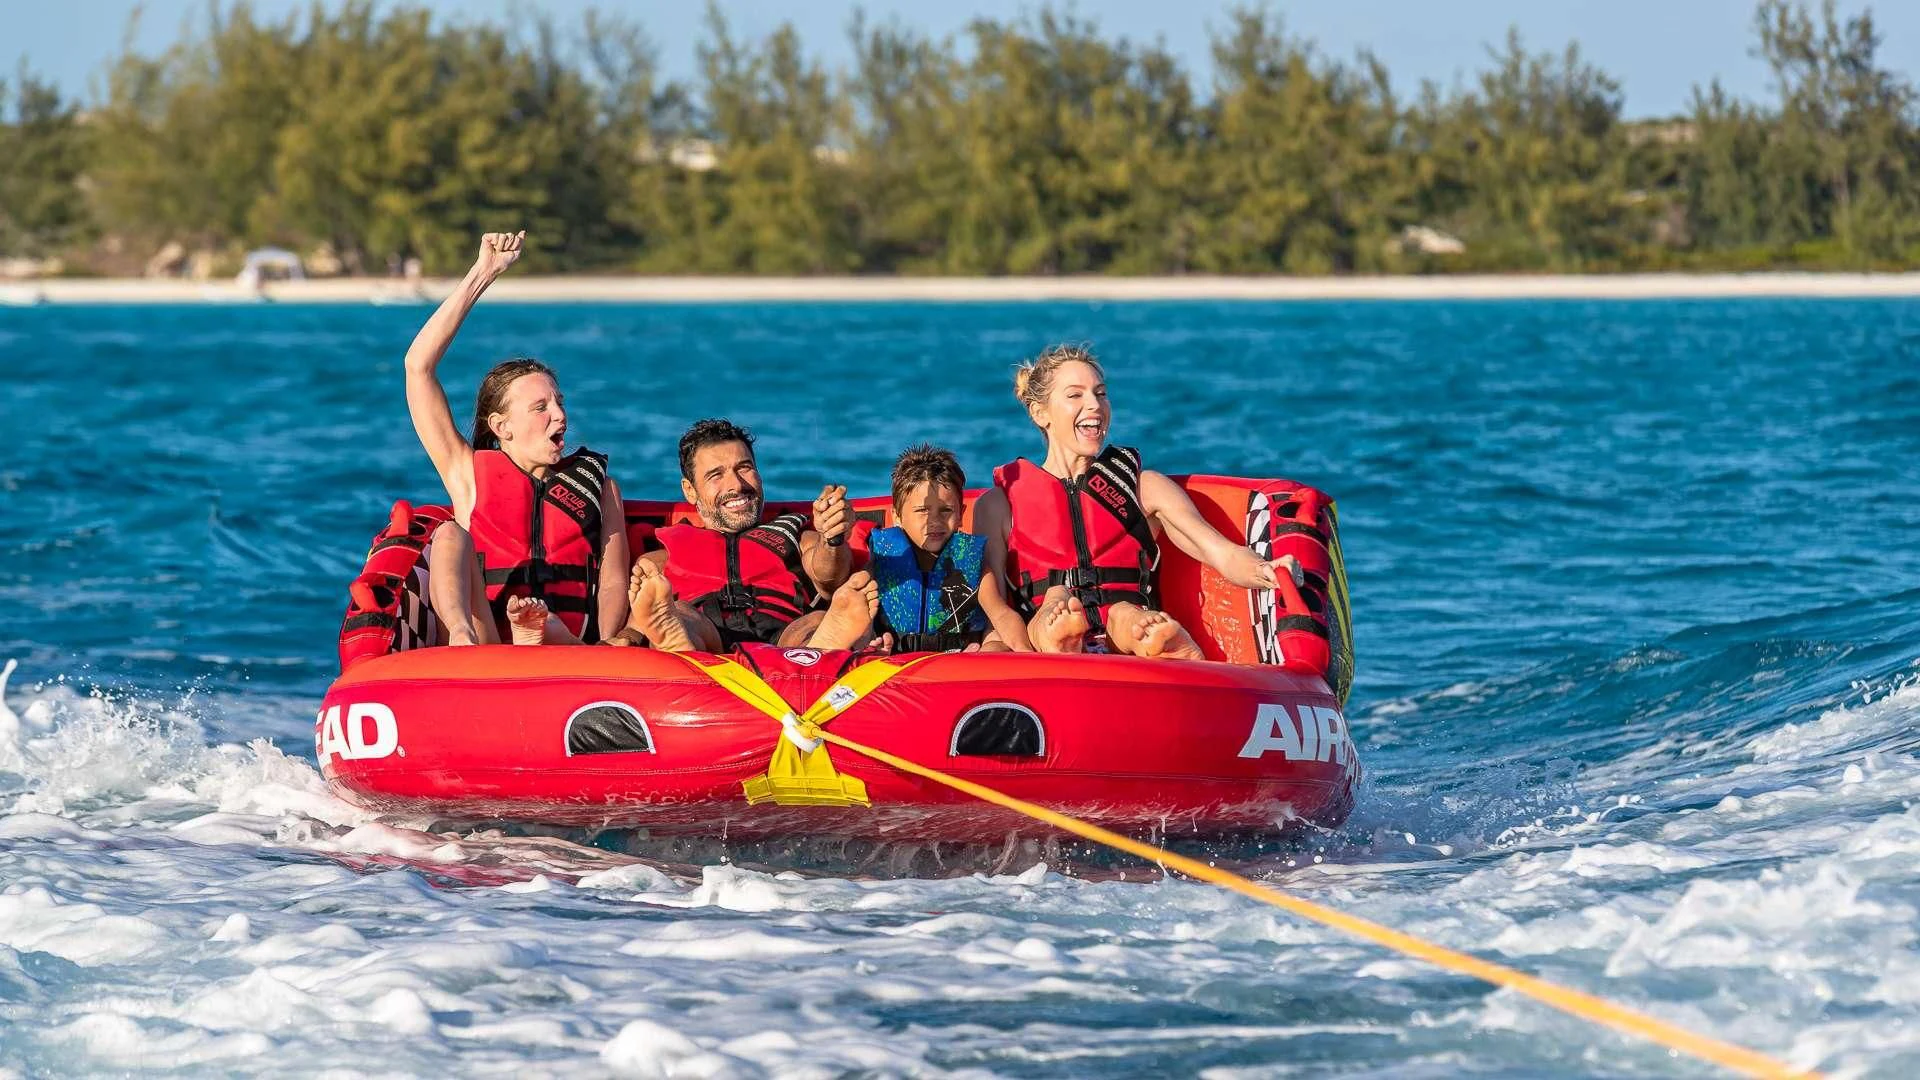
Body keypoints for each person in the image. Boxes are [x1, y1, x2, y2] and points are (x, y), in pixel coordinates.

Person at [972, 344, 1302, 659]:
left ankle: (1158, 641)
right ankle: (1063, 639)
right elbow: (993, 598)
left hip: (1123, 638)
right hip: (1041, 633)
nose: (1095, 405)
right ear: (1040, 412)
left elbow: (1220, 552)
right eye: (1076, 395)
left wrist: (1265, 570)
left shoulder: (1143, 488)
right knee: (1056, 602)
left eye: (1101, 393)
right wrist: (1008, 650)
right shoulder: (1000, 504)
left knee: (1126, 615)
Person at [402, 231, 630, 646]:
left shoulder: (599, 489)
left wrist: (607, 644)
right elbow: (418, 367)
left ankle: (541, 636)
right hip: (489, 640)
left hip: (570, 647)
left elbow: (613, 580)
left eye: (559, 403)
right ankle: (461, 640)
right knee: (449, 535)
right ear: (501, 426)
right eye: (540, 407)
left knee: (552, 629)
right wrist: (482, 273)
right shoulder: (467, 475)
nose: (560, 414)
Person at [615, 419, 879, 652]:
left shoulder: (795, 534)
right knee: (680, 615)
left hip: (783, 636)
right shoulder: (662, 556)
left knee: (816, 621)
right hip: (705, 632)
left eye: (744, 468)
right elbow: (641, 616)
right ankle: (679, 644)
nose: (736, 485)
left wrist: (831, 539)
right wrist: (626, 638)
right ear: (690, 490)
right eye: (716, 475)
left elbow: (829, 580)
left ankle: (822, 644)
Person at [864, 445, 1025, 653]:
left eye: (946, 511)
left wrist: (1023, 652)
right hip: (894, 658)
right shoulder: (880, 561)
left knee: (996, 642)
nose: (934, 521)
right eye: (922, 510)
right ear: (896, 516)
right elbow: (858, 614)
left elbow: (1001, 614)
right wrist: (868, 641)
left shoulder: (971, 564)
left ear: (960, 514)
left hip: (960, 661)